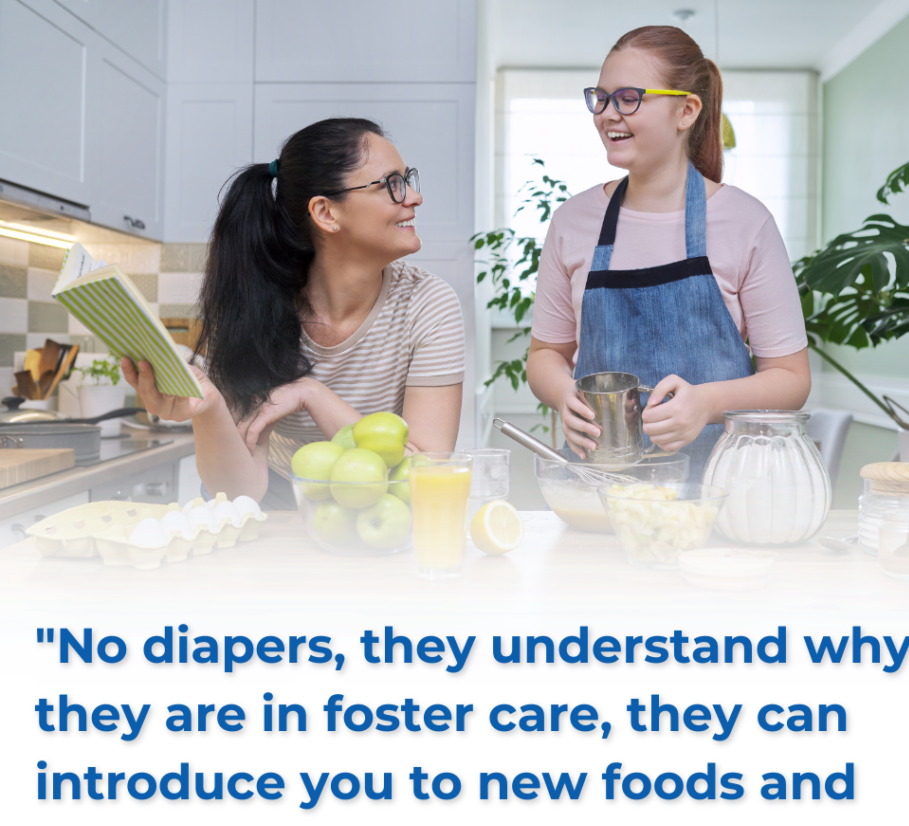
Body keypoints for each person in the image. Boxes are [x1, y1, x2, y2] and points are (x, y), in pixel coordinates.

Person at [125, 118, 464, 505]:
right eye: (392, 184)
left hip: (382, 504)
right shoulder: (254, 303)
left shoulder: (429, 305)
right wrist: (210, 410)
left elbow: (425, 476)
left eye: (408, 180)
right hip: (274, 503)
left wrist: (312, 394)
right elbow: (239, 491)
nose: (414, 197)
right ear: (326, 213)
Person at [526, 25, 810, 473]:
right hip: (599, 491)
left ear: (686, 111)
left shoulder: (747, 222)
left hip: (721, 495)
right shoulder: (572, 222)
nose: (607, 114)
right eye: (600, 99)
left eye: (628, 98)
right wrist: (565, 392)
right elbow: (545, 354)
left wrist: (707, 403)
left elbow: (791, 379)